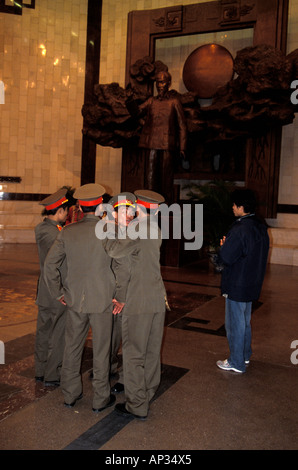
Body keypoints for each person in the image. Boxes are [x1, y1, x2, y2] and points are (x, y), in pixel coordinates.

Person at [43, 183, 124, 412]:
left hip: (75, 299)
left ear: (78, 206)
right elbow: (121, 266)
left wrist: (59, 292)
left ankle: (70, 394)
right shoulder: (110, 230)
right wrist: (120, 295)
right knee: (101, 350)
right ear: (100, 205)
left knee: (72, 347)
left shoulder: (68, 232)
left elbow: (50, 266)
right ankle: (100, 398)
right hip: (103, 300)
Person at [102, 189, 167, 420]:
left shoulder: (137, 229)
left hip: (138, 301)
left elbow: (113, 249)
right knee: (151, 351)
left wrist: (109, 225)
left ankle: (136, 404)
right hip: (157, 299)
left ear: (139, 207)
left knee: (133, 353)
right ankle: (147, 392)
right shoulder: (155, 229)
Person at [216, 189, 269, 373]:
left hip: (237, 283)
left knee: (234, 324)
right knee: (244, 321)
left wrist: (223, 247)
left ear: (241, 207)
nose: (232, 208)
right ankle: (244, 355)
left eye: (234, 205)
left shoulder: (240, 229)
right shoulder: (260, 226)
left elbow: (227, 257)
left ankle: (236, 362)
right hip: (251, 282)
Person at [126, 71, 188, 203]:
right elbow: (136, 113)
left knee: (166, 180)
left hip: (167, 145)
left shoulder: (174, 102)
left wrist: (183, 147)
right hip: (151, 144)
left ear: (169, 83)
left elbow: (182, 125)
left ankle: (165, 208)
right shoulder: (151, 101)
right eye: (157, 82)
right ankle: (148, 206)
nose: (159, 85)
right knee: (150, 179)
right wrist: (130, 100)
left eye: (162, 82)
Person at [34, 188, 69, 386]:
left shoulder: (42, 228)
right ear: (60, 211)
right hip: (57, 291)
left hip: (45, 291)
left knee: (44, 331)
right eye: (66, 211)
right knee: (57, 333)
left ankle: (40, 370)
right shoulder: (54, 233)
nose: (67, 214)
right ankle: (51, 374)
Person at [105, 192, 137, 395]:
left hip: (128, 295)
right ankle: (108, 367)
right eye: (125, 211)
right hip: (111, 292)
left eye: (132, 211)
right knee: (111, 334)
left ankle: (126, 378)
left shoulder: (133, 234)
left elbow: (126, 269)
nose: (130, 215)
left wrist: (122, 297)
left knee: (129, 337)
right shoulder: (110, 232)